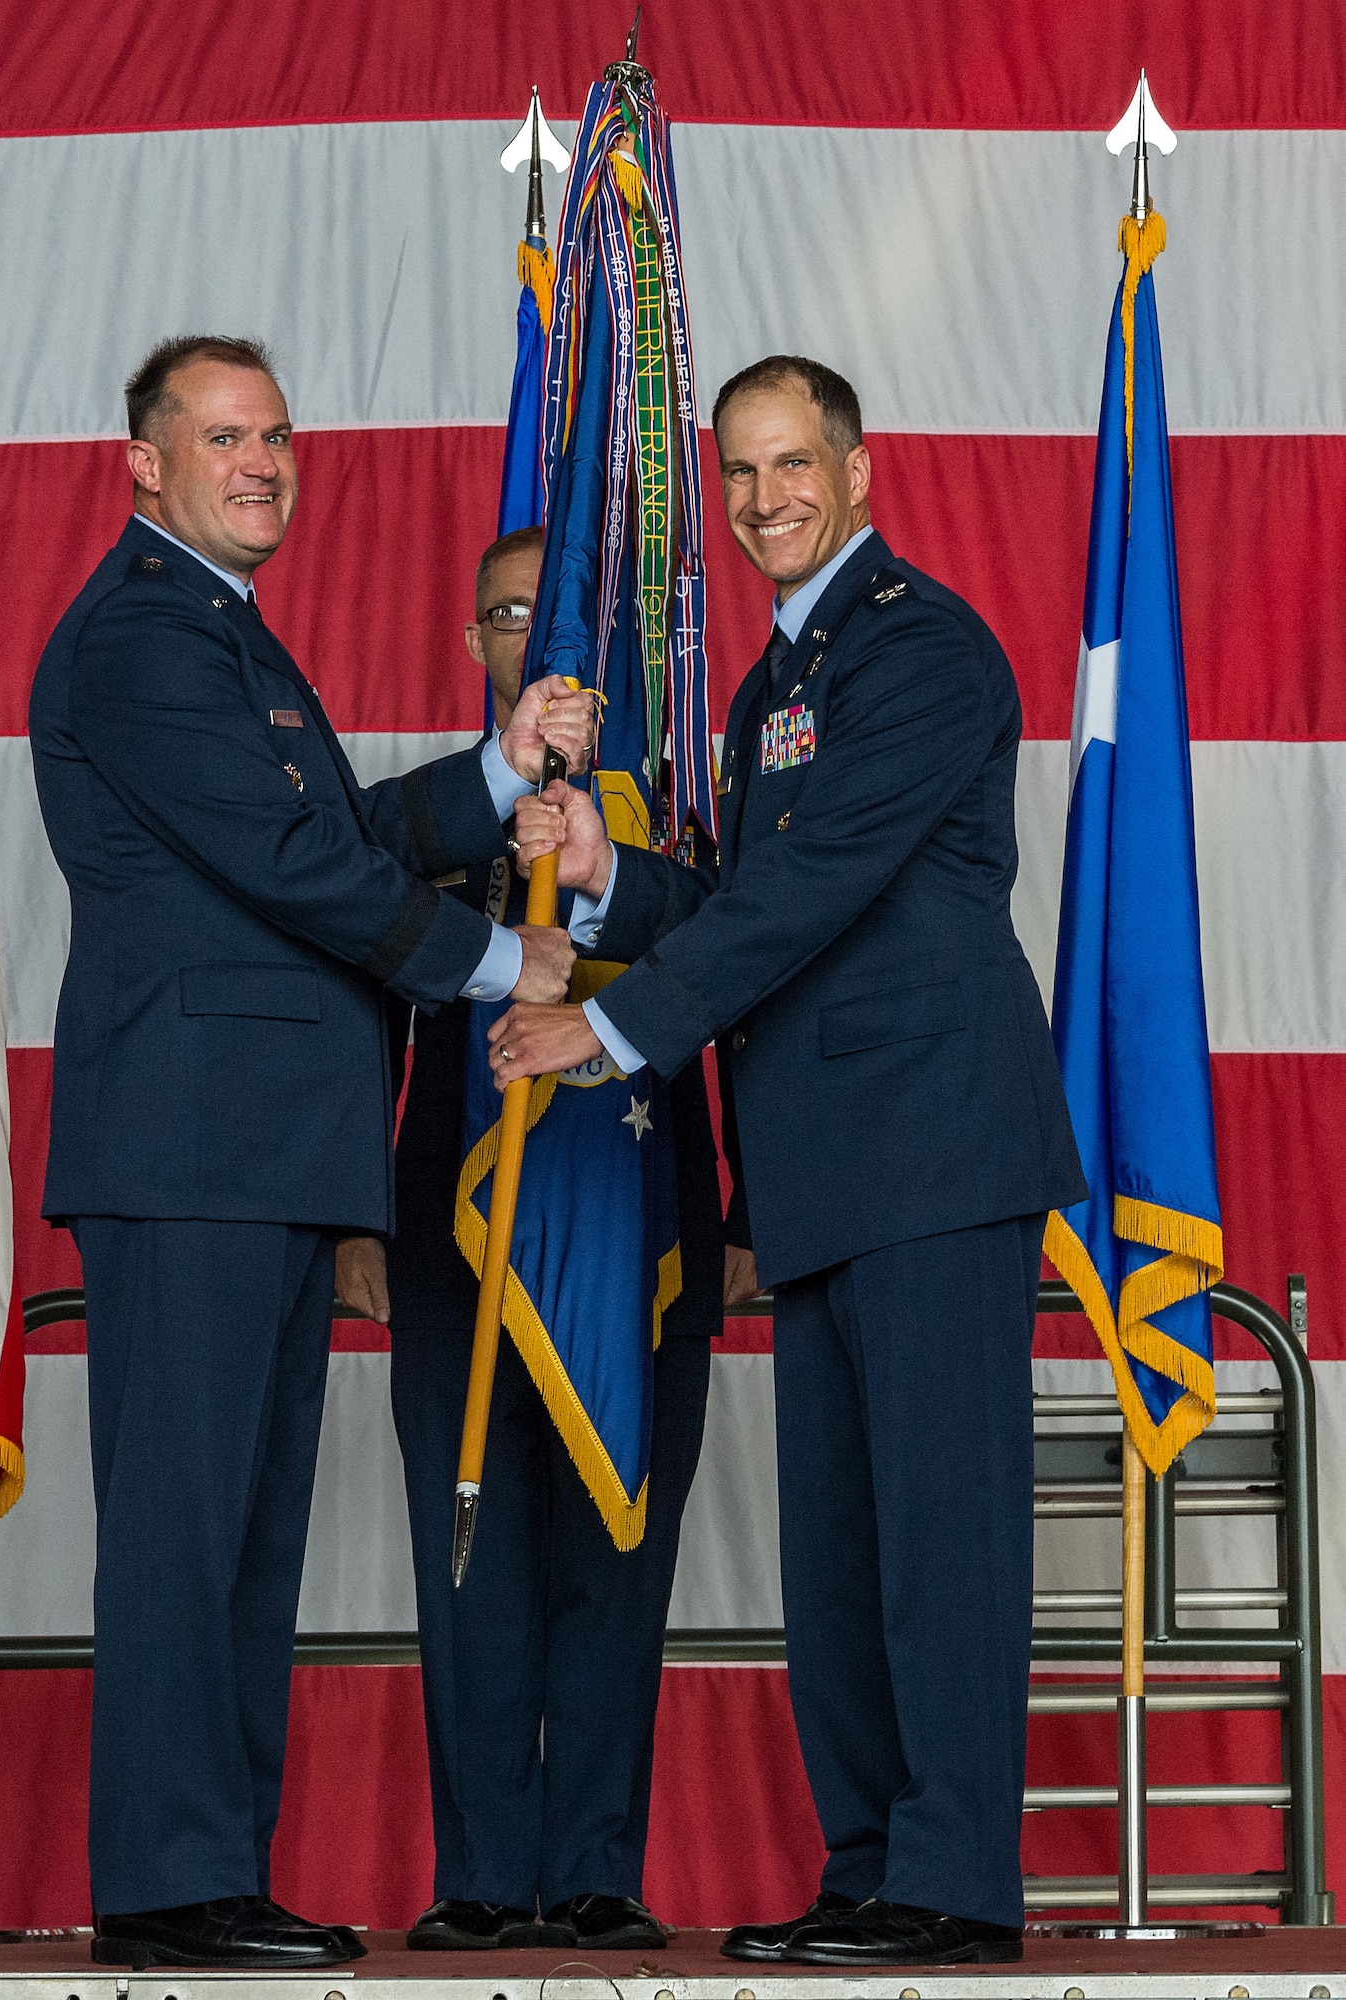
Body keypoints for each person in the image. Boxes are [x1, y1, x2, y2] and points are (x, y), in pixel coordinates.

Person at [492, 356, 1088, 1967]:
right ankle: (874, 1865)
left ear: (859, 466)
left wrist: (610, 1038)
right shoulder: (772, 689)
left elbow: (810, 897)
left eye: (791, 466)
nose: (765, 502)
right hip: (830, 1169)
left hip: (935, 1150)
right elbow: (747, 911)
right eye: (739, 476)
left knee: (939, 1541)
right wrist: (616, 873)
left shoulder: (923, 652)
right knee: (840, 1556)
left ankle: (955, 1886)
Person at [28, 335, 595, 1971]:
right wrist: (505, 965)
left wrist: (497, 772)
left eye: (275, 433)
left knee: (248, 1537)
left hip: (260, 1150)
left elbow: (332, 831)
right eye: (222, 437)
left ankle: (213, 1874)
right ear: (146, 463)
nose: (261, 460)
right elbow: (293, 862)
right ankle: (164, 1884)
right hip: (193, 1147)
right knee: (186, 1535)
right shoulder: (143, 634)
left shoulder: (228, 637)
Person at [335, 524, 744, 1951]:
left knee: (617, 1555)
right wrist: (353, 1218)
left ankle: (595, 1871)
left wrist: (739, 1207)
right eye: (508, 616)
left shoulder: (670, 815)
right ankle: (481, 1876)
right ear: (475, 644)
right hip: (448, 1231)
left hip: (647, 1229)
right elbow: (357, 1013)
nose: (537, 641)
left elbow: (746, 994)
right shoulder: (440, 822)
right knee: (471, 1561)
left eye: (555, 619)